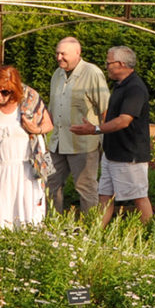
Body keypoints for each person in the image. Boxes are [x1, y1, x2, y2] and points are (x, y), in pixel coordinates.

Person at [69, 45, 153, 224]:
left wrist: (96, 129)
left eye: (108, 63)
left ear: (121, 64)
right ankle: (96, 235)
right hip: (113, 153)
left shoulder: (135, 88)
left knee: (138, 196)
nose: (106, 66)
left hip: (130, 154)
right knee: (105, 196)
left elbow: (124, 120)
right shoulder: (120, 86)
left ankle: (150, 236)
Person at [0, 64, 53, 230]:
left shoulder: (30, 99)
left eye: (4, 92)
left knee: (27, 217)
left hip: (26, 171)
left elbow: (48, 125)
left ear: (14, 90)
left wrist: (35, 129)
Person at [47, 37, 110, 217]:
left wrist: (106, 140)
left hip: (83, 145)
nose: (59, 57)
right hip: (57, 143)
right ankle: (52, 227)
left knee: (85, 188)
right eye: (57, 53)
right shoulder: (56, 75)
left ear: (77, 53)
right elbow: (53, 109)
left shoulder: (93, 73)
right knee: (50, 185)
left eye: (63, 54)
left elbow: (105, 110)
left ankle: (92, 230)